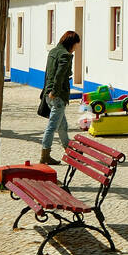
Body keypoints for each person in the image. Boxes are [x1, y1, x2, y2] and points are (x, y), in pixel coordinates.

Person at [39, 30, 80, 165]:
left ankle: (69, 151)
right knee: (52, 126)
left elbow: (47, 73)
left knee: (62, 125)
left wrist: (48, 91)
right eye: (76, 45)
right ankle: (45, 154)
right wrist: (55, 91)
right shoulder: (65, 56)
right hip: (57, 95)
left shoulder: (53, 52)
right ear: (71, 43)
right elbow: (59, 75)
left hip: (48, 93)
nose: (75, 49)